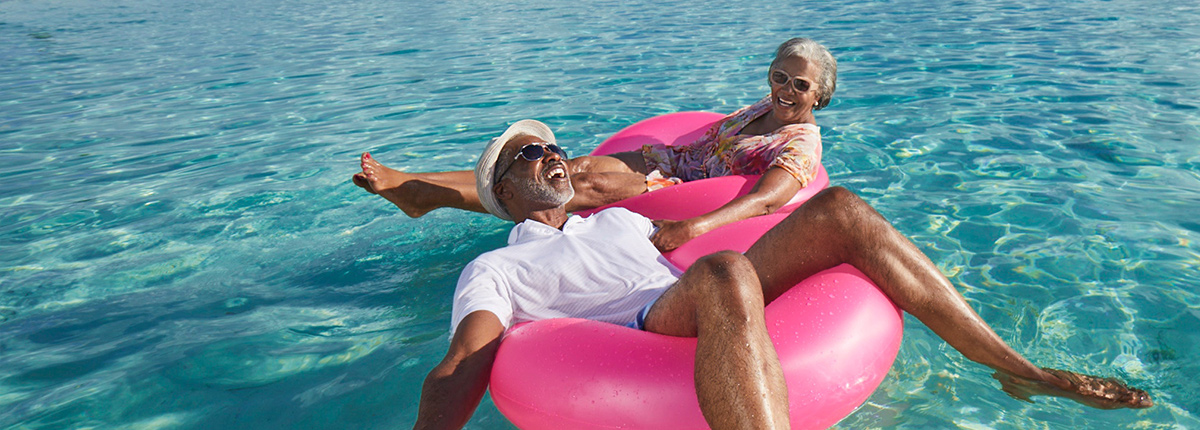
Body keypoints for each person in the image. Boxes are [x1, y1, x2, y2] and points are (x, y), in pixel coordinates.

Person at [403, 120, 1153, 430]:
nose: (549, 152)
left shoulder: (620, 219)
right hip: (638, 328)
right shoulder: (497, 265)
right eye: (528, 154)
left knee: (844, 209)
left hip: (682, 290)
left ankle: (1020, 372)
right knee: (727, 273)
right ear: (504, 190)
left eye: (551, 144)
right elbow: (462, 362)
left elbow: (695, 187)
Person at [354, 37, 835, 251]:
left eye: (801, 85)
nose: (786, 90)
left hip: (689, 191)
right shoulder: (763, 108)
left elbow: (767, 199)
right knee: (568, 165)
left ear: (821, 95)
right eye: (780, 76)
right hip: (669, 161)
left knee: (574, 188)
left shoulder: (800, 142)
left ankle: (426, 196)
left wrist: (692, 227)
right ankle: (418, 184)